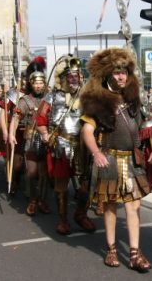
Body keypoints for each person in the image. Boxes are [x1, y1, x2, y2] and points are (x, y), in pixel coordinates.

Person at [80, 48, 152, 272]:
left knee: (134, 206)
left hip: (133, 161)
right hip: (110, 160)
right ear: (108, 75)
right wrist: (96, 153)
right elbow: (87, 130)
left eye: (124, 72)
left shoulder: (134, 98)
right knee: (109, 207)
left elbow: (150, 125)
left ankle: (135, 253)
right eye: (116, 73)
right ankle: (112, 249)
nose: (121, 76)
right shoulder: (96, 101)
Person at [35, 55, 96, 235]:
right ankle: (62, 220)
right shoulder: (52, 96)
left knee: (86, 183)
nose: (74, 79)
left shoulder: (88, 97)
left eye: (76, 76)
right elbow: (40, 118)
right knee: (61, 184)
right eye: (70, 76)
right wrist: (45, 134)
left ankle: (81, 214)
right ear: (63, 78)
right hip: (60, 144)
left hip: (83, 146)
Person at [9, 71, 49, 215]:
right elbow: (15, 118)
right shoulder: (24, 100)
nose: (38, 86)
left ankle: (42, 200)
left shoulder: (49, 99)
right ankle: (33, 200)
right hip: (31, 140)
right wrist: (11, 134)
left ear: (44, 83)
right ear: (31, 84)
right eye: (35, 83)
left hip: (47, 139)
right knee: (31, 172)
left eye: (40, 83)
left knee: (44, 173)